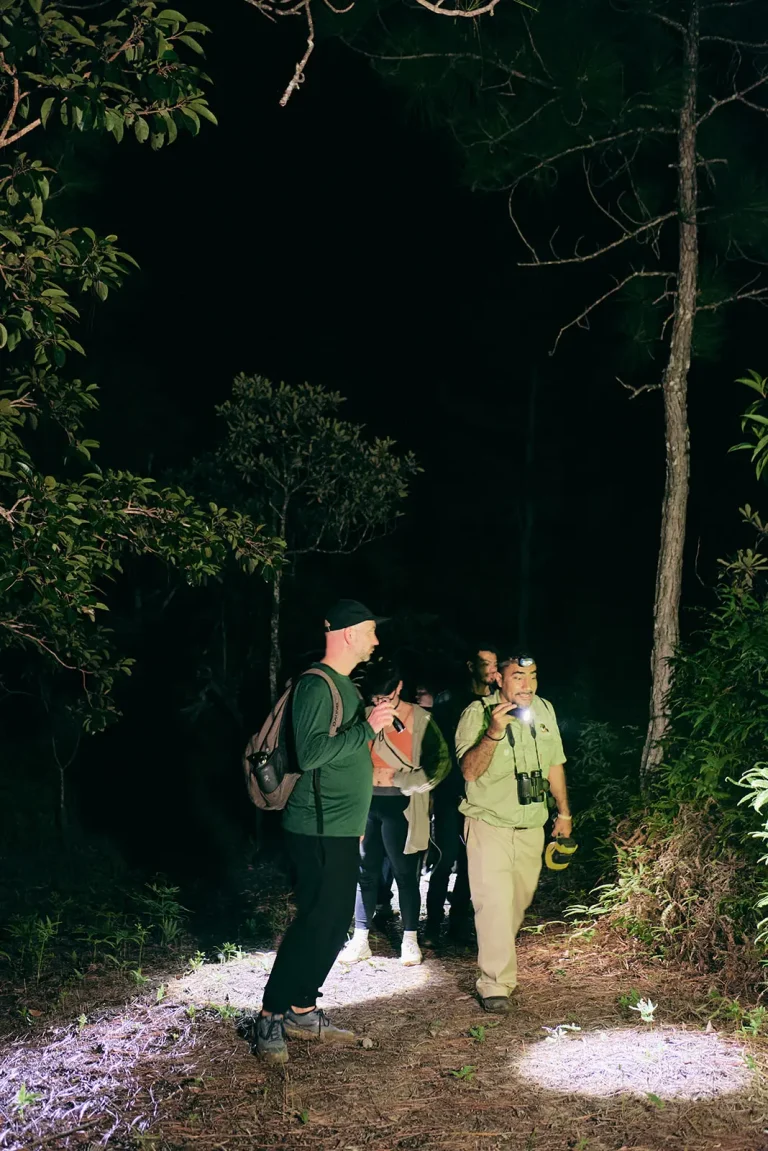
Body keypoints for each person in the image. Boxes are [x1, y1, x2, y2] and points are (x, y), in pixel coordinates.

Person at [252, 599, 396, 1065]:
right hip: (315, 827)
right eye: (371, 631)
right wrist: (369, 729)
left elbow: (341, 749)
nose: (376, 640)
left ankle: (302, 1009)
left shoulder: (343, 686)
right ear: (350, 633)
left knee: (334, 925)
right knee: (318, 921)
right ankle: (270, 1014)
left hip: (337, 827)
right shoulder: (317, 685)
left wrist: (367, 721)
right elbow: (311, 754)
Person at [456, 653, 572, 1013]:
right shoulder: (477, 714)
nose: (528, 685)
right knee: (492, 904)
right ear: (499, 680)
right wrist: (493, 733)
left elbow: (555, 764)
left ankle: (498, 962)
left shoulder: (545, 709)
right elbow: (469, 772)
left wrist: (564, 813)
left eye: (533, 676)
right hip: (488, 824)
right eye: (518, 677)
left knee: (516, 904)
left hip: (531, 826)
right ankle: (495, 984)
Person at [341, 662, 450, 967]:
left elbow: (441, 763)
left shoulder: (420, 719)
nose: (381, 704)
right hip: (366, 805)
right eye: (375, 700)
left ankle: (410, 940)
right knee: (365, 871)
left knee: (405, 873)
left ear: (399, 687)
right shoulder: (363, 717)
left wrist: (405, 781)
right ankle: (360, 939)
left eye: (386, 698)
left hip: (401, 807)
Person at [424, 646, 499, 945]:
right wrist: (431, 787)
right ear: (471, 666)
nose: (492, 669)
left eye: (495, 663)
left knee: (472, 861)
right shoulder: (449, 700)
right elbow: (436, 746)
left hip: (481, 794)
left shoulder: (498, 702)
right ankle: (431, 926)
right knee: (445, 857)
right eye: (486, 663)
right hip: (449, 790)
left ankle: (458, 924)